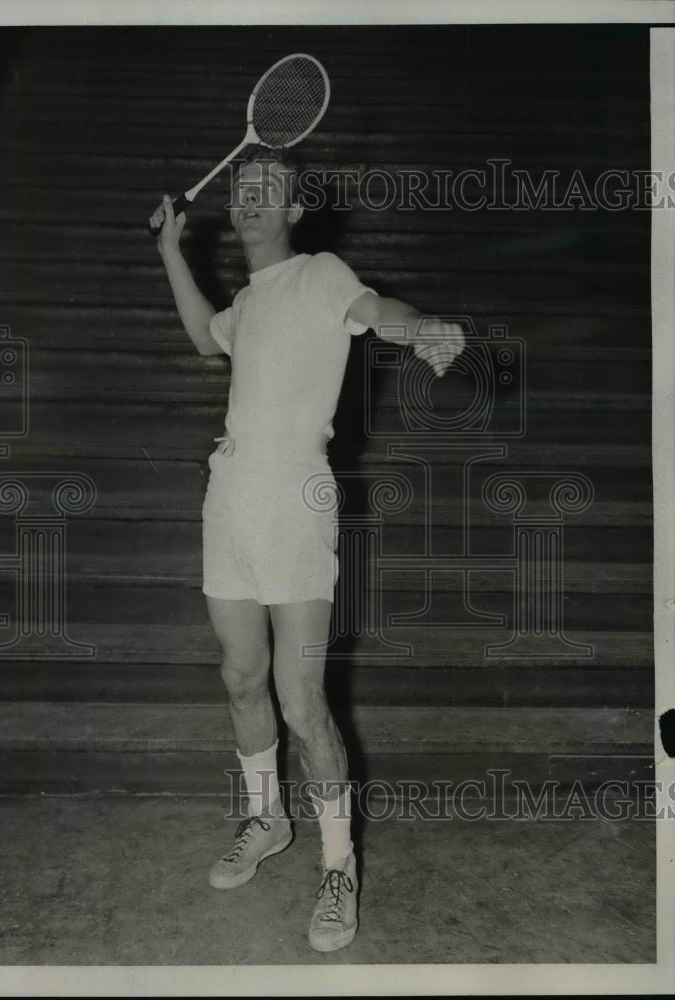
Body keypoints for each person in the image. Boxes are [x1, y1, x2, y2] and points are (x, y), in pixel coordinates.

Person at [149, 147, 464, 953]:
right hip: (230, 496)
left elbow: (376, 308)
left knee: (302, 699)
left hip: (298, 500)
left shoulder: (321, 273)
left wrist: (422, 326)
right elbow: (204, 340)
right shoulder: (250, 303)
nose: (251, 203)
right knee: (241, 675)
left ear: (293, 211)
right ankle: (266, 819)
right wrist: (169, 252)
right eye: (243, 192)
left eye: (269, 194)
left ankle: (337, 865)